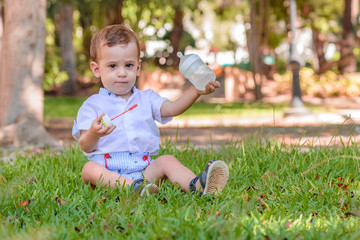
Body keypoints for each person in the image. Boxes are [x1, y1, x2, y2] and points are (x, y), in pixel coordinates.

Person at [72, 24, 229, 196]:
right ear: (96, 69)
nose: (122, 73)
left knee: (166, 160)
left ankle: (197, 186)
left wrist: (195, 91)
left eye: (129, 65)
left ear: (138, 67)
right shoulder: (92, 105)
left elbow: (173, 108)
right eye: (112, 66)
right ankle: (131, 188)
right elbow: (85, 146)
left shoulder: (146, 98)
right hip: (109, 173)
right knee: (89, 169)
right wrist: (95, 133)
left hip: (144, 173)